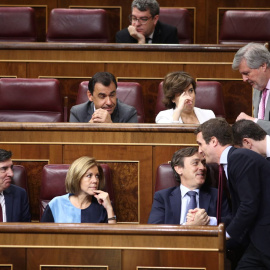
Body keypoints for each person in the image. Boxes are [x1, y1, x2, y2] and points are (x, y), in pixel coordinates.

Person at [195, 117, 270, 269]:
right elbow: (241, 210)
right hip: (258, 243)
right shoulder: (232, 161)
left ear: (214, 141)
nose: (199, 151)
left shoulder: (239, 158)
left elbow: (248, 206)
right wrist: (213, 222)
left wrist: (225, 236)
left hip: (265, 242)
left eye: (200, 144)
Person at [148, 147, 230, 225]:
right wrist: (189, 226)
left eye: (203, 163)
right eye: (195, 163)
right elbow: (154, 230)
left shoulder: (217, 195)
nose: (203, 167)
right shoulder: (163, 197)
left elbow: (230, 223)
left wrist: (207, 220)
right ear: (179, 169)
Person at [41, 156, 116, 223]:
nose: (95, 180)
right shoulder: (56, 204)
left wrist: (109, 208)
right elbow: (42, 236)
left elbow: (112, 237)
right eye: (89, 176)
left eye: (97, 176)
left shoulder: (102, 205)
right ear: (77, 178)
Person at [69, 72, 138, 123]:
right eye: (102, 96)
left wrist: (111, 126)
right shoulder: (77, 112)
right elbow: (73, 141)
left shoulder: (129, 113)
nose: (109, 102)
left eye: (112, 95)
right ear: (90, 96)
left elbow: (130, 142)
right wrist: (89, 128)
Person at [232, 43, 270, 134]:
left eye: (246, 73)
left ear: (263, 66)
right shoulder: (257, 88)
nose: (244, 79)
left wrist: (253, 122)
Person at [0, 149, 31, 222]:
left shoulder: (19, 194)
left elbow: (26, 229)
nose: (11, 174)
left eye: (11, 168)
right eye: (4, 169)